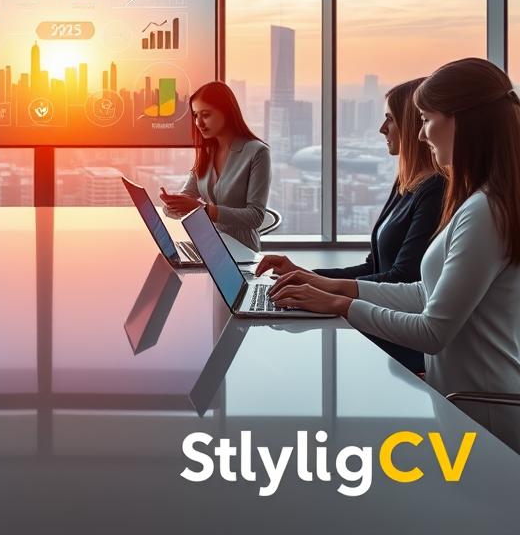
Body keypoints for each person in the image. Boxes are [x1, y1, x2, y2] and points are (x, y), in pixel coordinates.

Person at [270, 58, 520, 452]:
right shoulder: (481, 201)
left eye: (425, 119)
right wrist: (328, 287)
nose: (420, 135)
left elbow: (432, 332)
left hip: (483, 417)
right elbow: (425, 293)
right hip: (464, 405)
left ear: (460, 120)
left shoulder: (485, 211)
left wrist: (337, 304)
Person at [258, 78, 444, 372]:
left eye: (390, 120)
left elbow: (402, 278)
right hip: (378, 320)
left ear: (411, 126)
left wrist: (324, 292)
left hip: (396, 336)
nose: (383, 129)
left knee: (293, 356)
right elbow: (374, 266)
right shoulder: (406, 182)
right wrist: (304, 275)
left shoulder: (436, 191)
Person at [159, 81, 270, 251]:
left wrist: (204, 210)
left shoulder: (257, 152)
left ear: (227, 112)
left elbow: (256, 216)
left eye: (206, 114)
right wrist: (173, 204)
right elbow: (188, 195)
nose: (199, 123)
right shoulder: (207, 153)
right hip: (210, 245)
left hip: (242, 251)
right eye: (195, 115)